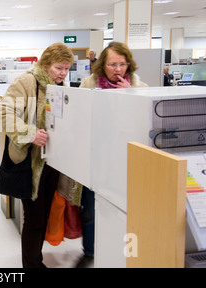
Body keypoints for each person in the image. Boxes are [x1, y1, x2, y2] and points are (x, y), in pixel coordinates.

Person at [0, 42, 74, 268]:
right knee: (33, 219)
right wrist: (29, 133)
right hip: (30, 162)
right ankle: (31, 265)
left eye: (67, 69)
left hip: (51, 162)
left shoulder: (58, 86)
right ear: (46, 64)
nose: (63, 73)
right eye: (59, 68)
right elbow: (4, 112)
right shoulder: (27, 81)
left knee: (43, 217)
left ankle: (36, 261)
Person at [76, 41, 148, 267]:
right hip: (95, 154)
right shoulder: (89, 84)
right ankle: (90, 251)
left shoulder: (139, 87)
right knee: (90, 205)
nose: (118, 69)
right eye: (112, 64)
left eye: (122, 64)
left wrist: (130, 96)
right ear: (102, 65)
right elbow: (78, 116)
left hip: (125, 157)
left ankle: (124, 252)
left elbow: (143, 123)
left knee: (123, 207)